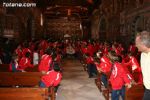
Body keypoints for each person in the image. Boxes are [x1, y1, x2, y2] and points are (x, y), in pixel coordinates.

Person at [135, 31, 150, 100]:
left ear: (144, 45)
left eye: (137, 43)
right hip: (147, 88)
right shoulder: (143, 54)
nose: (135, 45)